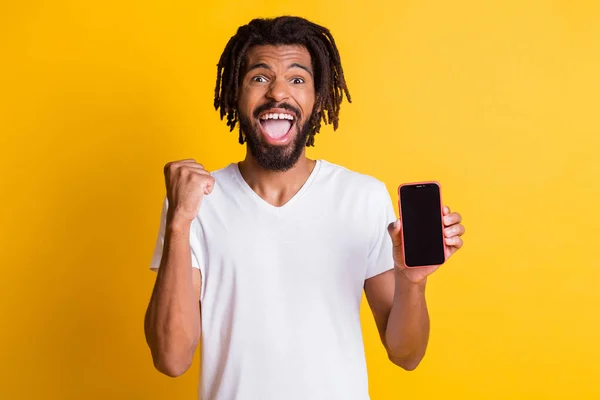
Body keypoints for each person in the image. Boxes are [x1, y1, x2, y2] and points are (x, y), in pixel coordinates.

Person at [144, 16, 465, 400]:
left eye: (297, 79)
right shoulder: (195, 201)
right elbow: (171, 358)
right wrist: (180, 223)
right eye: (260, 77)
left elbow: (406, 354)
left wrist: (412, 282)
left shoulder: (361, 197)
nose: (278, 93)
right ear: (235, 94)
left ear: (318, 98)